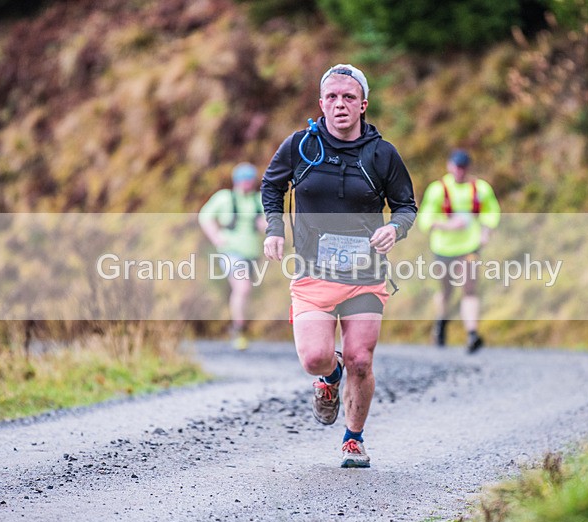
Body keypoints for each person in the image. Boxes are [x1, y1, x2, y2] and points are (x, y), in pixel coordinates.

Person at [261, 64, 417, 468]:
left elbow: (406, 205)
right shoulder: (301, 146)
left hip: (365, 276)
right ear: (321, 103)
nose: (340, 104)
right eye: (332, 97)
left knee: (360, 360)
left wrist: (395, 229)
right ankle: (330, 377)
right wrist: (275, 229)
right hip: (313, 273)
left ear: (363, 105)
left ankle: (353, 439)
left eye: (349, 97)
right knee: (314, 358)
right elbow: (272, 185)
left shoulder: (382, 154)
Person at [416, 149, 500, 353]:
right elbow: (425, 220)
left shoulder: (480, 189)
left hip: (469, 247)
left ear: (468, 168)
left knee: (469, 288)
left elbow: (492, 212)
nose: (460, 171)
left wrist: (486, 231)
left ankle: (472, 334)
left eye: (463, 167)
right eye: (456, 167)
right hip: (443, 248)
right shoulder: (438, 189)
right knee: (446, 291)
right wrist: (448, 225)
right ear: (449, 166)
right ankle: (441, 322)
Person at [199, 162, 266, 351]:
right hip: (230, 252)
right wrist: (216, 237)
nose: (247, 183)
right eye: (243, 179)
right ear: (236, 180)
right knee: (243, 287)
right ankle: (239, 329)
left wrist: (268, 228)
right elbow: (205, 216)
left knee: (244, 291)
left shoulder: (259, 200)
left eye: (250, 179)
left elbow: (269, 222)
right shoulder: (224, 198)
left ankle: (239, 325)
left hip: (252, 254)